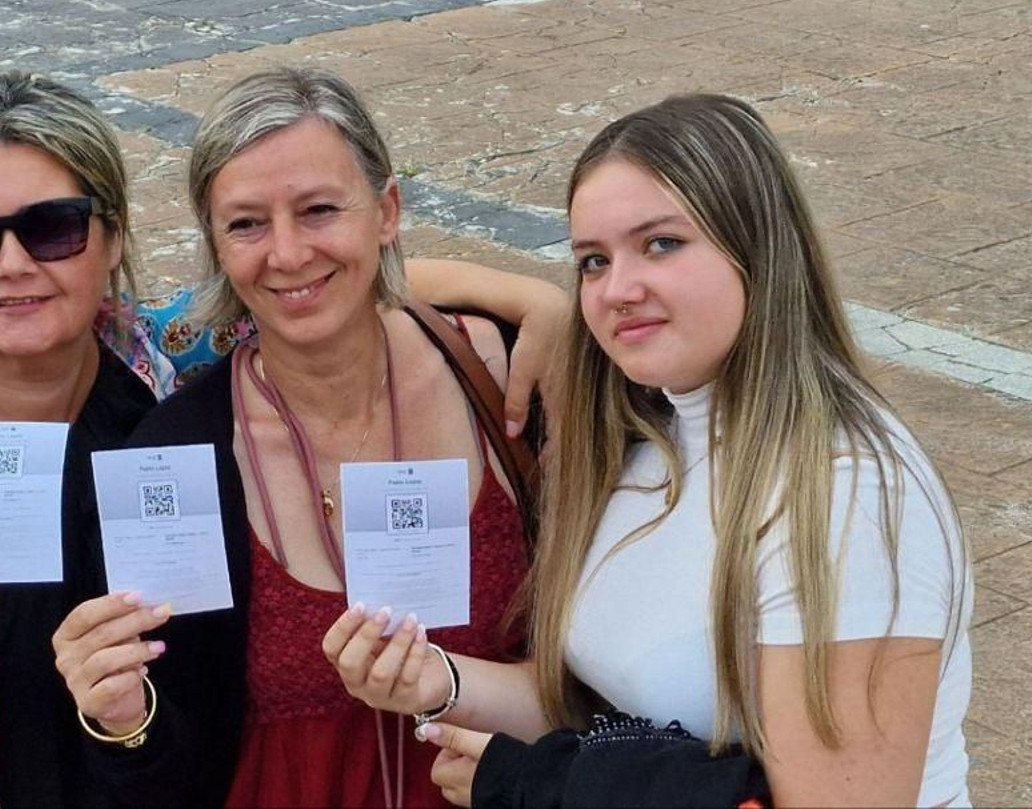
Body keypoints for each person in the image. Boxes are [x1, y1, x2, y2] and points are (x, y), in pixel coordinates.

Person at [0, 70, 564, 807]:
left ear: (112, 236)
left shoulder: (157, 354)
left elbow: (311, 285)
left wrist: (538, 302)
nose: (12, 265)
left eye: (53, 228)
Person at [325, 93, 974, 807]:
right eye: (593, 261)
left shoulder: (846, 493)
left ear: (755, 244)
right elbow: (622, 719)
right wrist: (440, 679)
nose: (618, 290)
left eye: (661, 244)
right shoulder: (647, 434)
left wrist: (535, 785)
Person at [48, 66, 539, 808]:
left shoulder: (510, 382)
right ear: (216, 245)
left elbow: (610, 671)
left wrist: (551, 304)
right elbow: (166, 760)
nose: (287, 253)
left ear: (387, 211)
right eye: (246, 223)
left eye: (318, 210)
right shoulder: (176, 455)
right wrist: (122, 718)